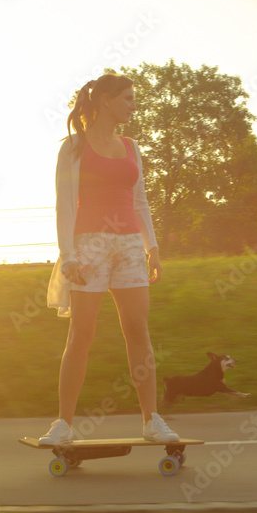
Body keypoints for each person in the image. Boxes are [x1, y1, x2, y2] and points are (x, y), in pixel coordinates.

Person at [40, 73, 179, 445]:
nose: (134, 105)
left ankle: (151, 420)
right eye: (128, 98)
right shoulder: (73, 148)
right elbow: (65, 206)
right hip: (89, 246)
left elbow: (140, 201)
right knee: (81, 335)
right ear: (105, 100)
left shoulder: (131, 147)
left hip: (131, 246)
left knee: (138, 332)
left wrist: (152, 248)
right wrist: (68, 257)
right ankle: (63, 424)